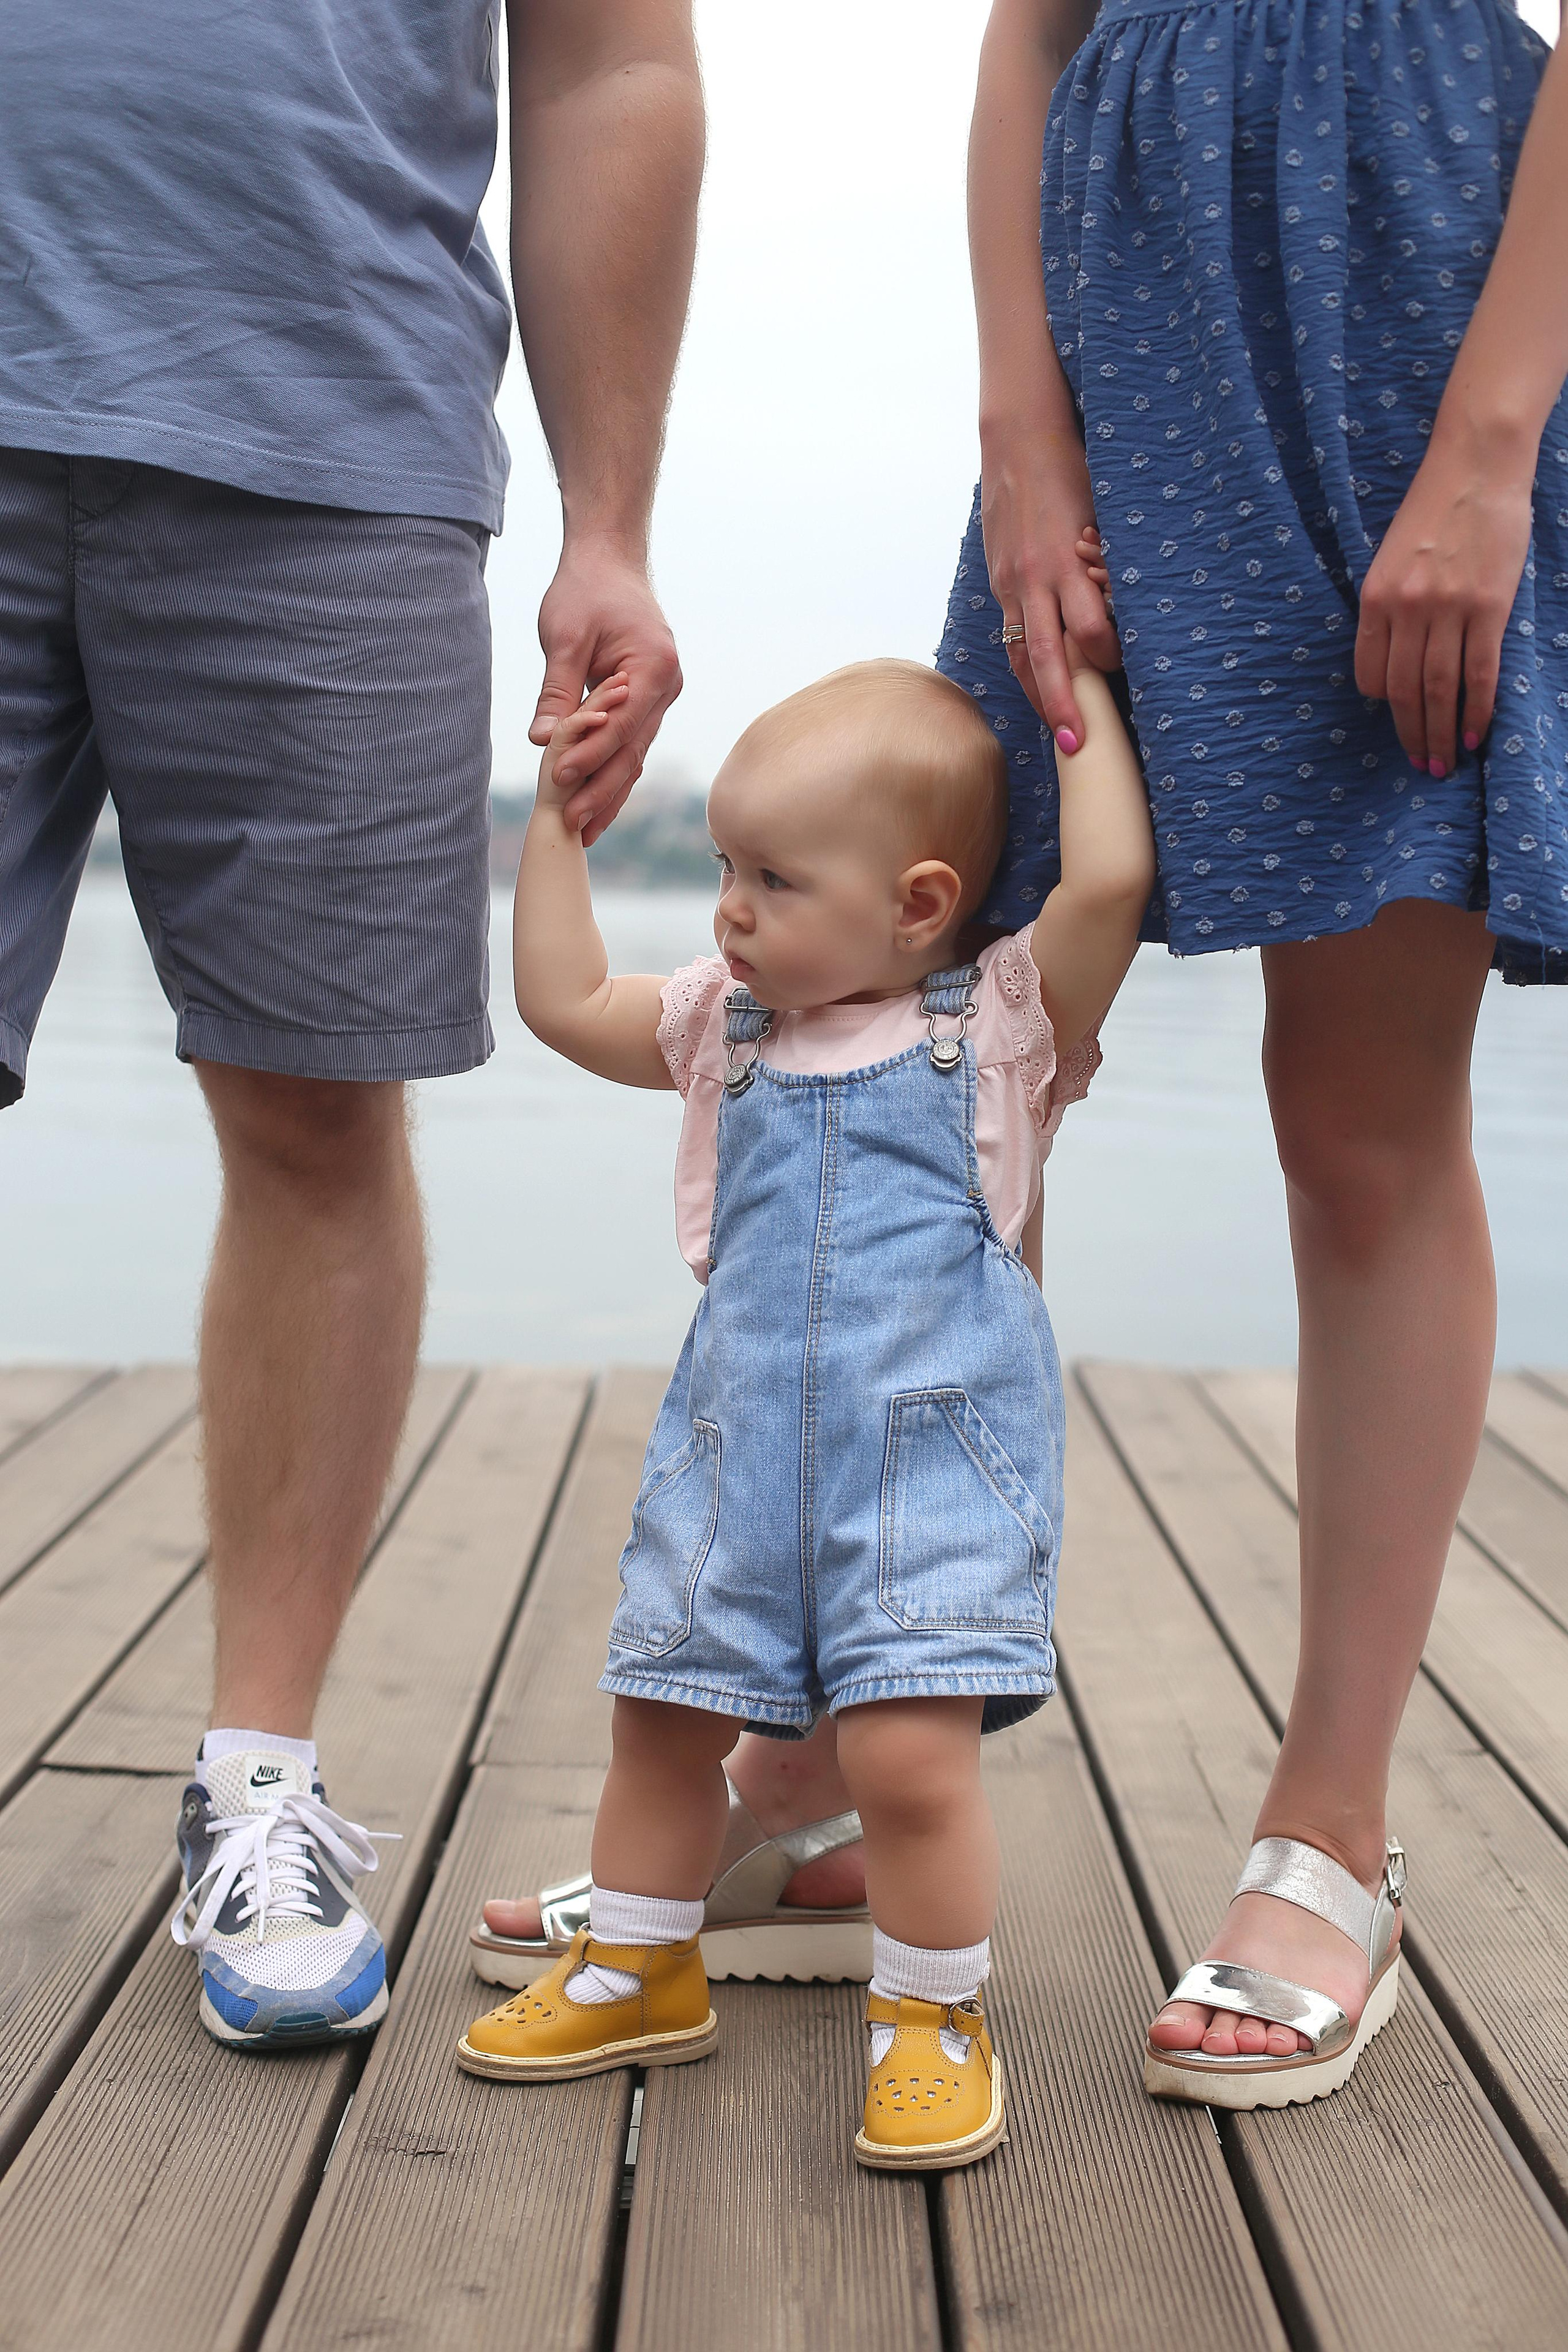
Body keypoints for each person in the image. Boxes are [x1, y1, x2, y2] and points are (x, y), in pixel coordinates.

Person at [0, 0, 703, 2047]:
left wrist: (610, 522)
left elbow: (610, 62)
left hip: (334, 426)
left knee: (317, 1113)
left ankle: (259, 1779)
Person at [933, 0, 1568, 2105]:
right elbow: (1028, 30)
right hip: (1121, 308)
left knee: (1361, 1128)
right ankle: (877, 1742)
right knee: (964, 1065)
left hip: (1426, 282)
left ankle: (1333, 1829)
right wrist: (1022, 432)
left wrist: (1490, 452)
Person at [457, 643, 1154, 2169]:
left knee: (906, 1756)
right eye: (724, 867)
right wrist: (556, 822)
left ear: (916, 902)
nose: (729, 909)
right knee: (661, 1718)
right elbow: (562, 1000)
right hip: (735, 1457)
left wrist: (1072, 687)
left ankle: (930, 2016)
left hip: (931, 1469)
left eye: (772, 879)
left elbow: (1107, 878)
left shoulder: (997, 1029)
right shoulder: (727, 1027)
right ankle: (639, 1966)